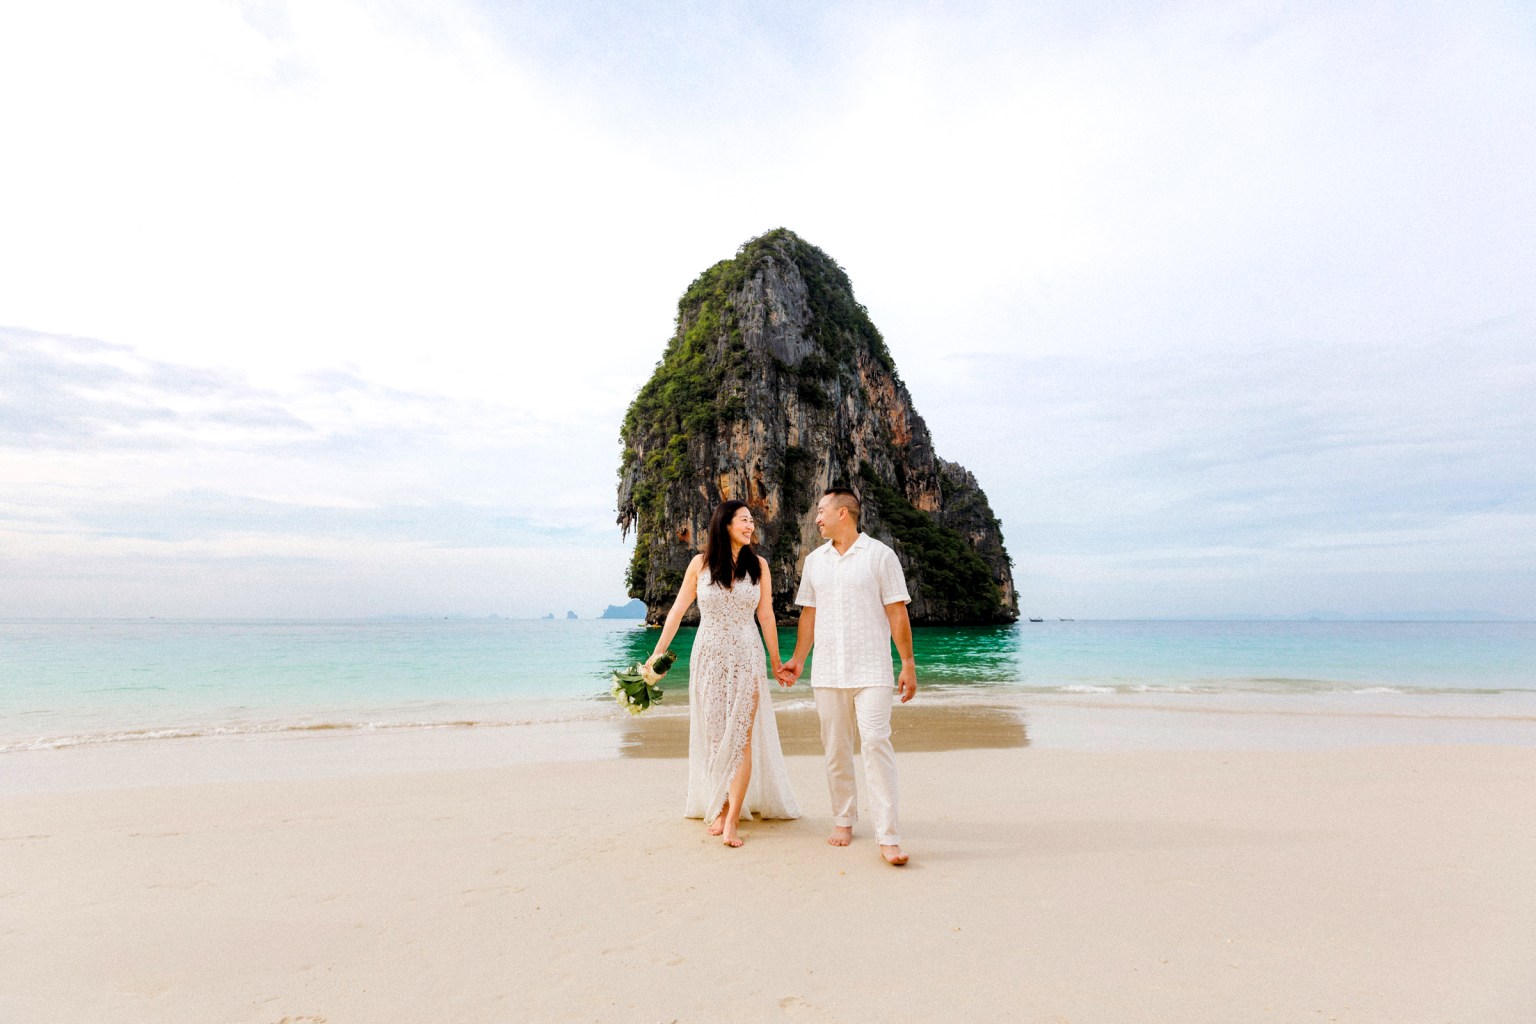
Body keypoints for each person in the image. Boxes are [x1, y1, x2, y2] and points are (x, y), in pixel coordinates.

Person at [649, 500, 800, 846]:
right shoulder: (699, 565)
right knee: (716, 735)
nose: (750, 526)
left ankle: (732, 818)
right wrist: (656, 655)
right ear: (725, 524)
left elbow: (766, 617)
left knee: (741, 737)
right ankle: (718, 806)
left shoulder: (758, 565)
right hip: (709, 655)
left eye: (752, 521)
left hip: (747, 654)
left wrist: (776, 661)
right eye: (744, 520)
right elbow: (676, 611)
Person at [778, 487, 916, 866]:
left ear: (843, 513)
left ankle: (888, 836)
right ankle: (844, 818)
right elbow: (808, 615)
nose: (816, 518)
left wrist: (908, 663)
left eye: (821, 511)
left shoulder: (880, 556)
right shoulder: (815, 562)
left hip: (872, 669)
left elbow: (896, 612)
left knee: (875, 744)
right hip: (826, 671)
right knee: (836, 749)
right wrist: (798, 660)